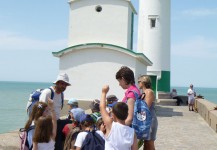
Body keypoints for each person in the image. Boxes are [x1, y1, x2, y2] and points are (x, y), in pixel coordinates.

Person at [39, 73, 71, 150]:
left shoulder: (61, 95)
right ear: (57, 83)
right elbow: (40, 110)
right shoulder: (47, 92)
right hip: (47, 124)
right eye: (62, 83)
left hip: (56, 122)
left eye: (65, 84)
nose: (64, 86)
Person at [100, 85, 138, 150]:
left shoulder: (111, 125)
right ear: (127, 114)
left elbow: (102, 107)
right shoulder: (132, 132)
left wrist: (104, 92)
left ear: (113, 115)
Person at [138, 75, 158, 150]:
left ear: (143, 82)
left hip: (150, 120)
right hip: (145, 120)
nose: (138, 83)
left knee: (149, 143)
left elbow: (146, 107)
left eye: (139, 81)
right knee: (146, 143)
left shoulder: (149, 92)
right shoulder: (144, 92)